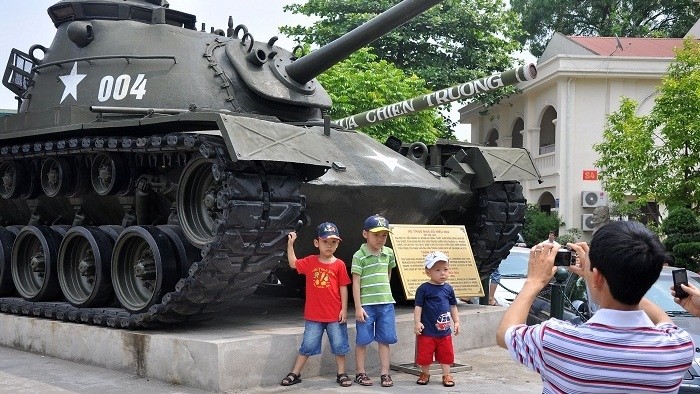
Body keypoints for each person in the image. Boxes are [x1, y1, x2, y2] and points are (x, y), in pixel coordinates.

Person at [497, 220, 694, 393]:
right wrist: (602, 278)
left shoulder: (555, 339)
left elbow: (505, 333)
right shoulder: (678, 347)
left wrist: (533, 282)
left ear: (597, 276)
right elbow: (662, 320)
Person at [280, 222, 353, 387]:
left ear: (338, 244)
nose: (329, 245)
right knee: (307, 345)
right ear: (316, 243)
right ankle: (295, 373)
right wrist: (291, 244)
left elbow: (343, 287)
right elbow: (293, 263)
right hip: (314, 315)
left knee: (339, 345)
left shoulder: (339, 264)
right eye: (325, 242)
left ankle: (341, 373)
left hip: (334, 315)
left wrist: (343, 309)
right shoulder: (311, 262)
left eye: (333, 242)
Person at [351, 214, 397, 387]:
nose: (380, 239)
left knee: (385, 340)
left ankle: (385, 373)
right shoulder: (359, 256)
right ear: (365, 234)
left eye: (383, 235)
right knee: (362, 340)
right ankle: (360, 372)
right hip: (367, 306)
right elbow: (356, 282)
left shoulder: (388, 253)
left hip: (386, 303)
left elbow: (388, 274)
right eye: (376, 235)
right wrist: (358, 306)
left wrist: (384, 293)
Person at [413, 251, 460, 387]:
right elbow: (418, 306)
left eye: (445, 269)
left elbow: (453, 306)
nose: (442, 273)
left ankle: (447, 374)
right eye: (438, 270)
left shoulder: (448, 289)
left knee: (446, 354)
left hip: (444, 331)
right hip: (427, 330)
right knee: (425, 355)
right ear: (428, 272)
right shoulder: (424, 289)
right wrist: (417, 322)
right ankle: (425, 373)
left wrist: (456, 321)